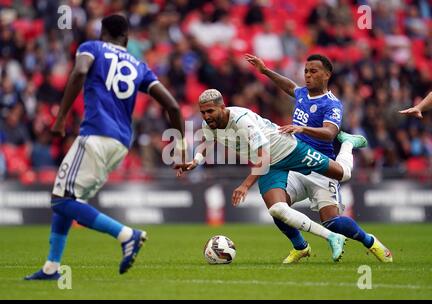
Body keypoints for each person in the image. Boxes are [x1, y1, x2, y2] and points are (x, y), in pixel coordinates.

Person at [25, 15, 185, 280]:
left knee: (61, 199)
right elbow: (174, 107)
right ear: (127, 38)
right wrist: (180, 147)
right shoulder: (139, 65)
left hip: (96, 134)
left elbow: (78, 71)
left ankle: (126, 235)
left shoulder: (92, 48)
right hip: (121, 143)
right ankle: (52, 267)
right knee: (69, 197)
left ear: (102, 33)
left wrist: (61, 116)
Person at [175, 88, 368, 262]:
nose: (206, 116)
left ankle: (348, 143)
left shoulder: (242, 121)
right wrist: (195, 162)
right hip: (271, 164)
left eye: (210, 111)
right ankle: (326, 239)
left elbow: (263, 156)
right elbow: (208, 144)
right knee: (277, 209)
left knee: (343, 174)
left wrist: (245, 185)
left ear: (222, 107)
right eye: (203, 112)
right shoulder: (209, 125)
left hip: (290, 150)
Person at [245, 53, 393, 263]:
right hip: (297, 166)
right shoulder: (303, 94)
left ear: (327, 75)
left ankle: (370, 241)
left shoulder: (332, 104)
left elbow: (330, 133)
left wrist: (302, 127)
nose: (308, 75)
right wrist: (265, 70)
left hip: (322, 168)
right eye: (306, 71)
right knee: (278, 208)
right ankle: (300, 247)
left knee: (332, 223)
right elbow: (289, 86)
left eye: (313, 71)